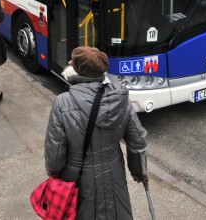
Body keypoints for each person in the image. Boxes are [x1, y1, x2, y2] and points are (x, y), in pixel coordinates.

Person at [43, 46, 148, 219]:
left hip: (77, 177)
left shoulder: (62, 103)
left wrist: (55, 174)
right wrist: (139, 173)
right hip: (114, 173)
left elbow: (54, 157)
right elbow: (137, 141)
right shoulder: (120, 99)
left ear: (77, 70)